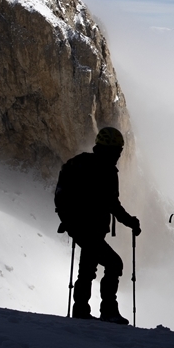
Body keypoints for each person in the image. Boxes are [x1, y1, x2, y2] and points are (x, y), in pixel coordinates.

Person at [55, 126, 141, 324]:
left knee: (87, 268)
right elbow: (113, 204)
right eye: (118, 151)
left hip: (79, 227)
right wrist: (131, 222)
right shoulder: (106, 170)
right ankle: (108, 311)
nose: (119, 155)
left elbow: (108, 203)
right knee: (114, 264)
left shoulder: (81, 164)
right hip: (90, 229)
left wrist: (68, 221)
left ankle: (81, 311)